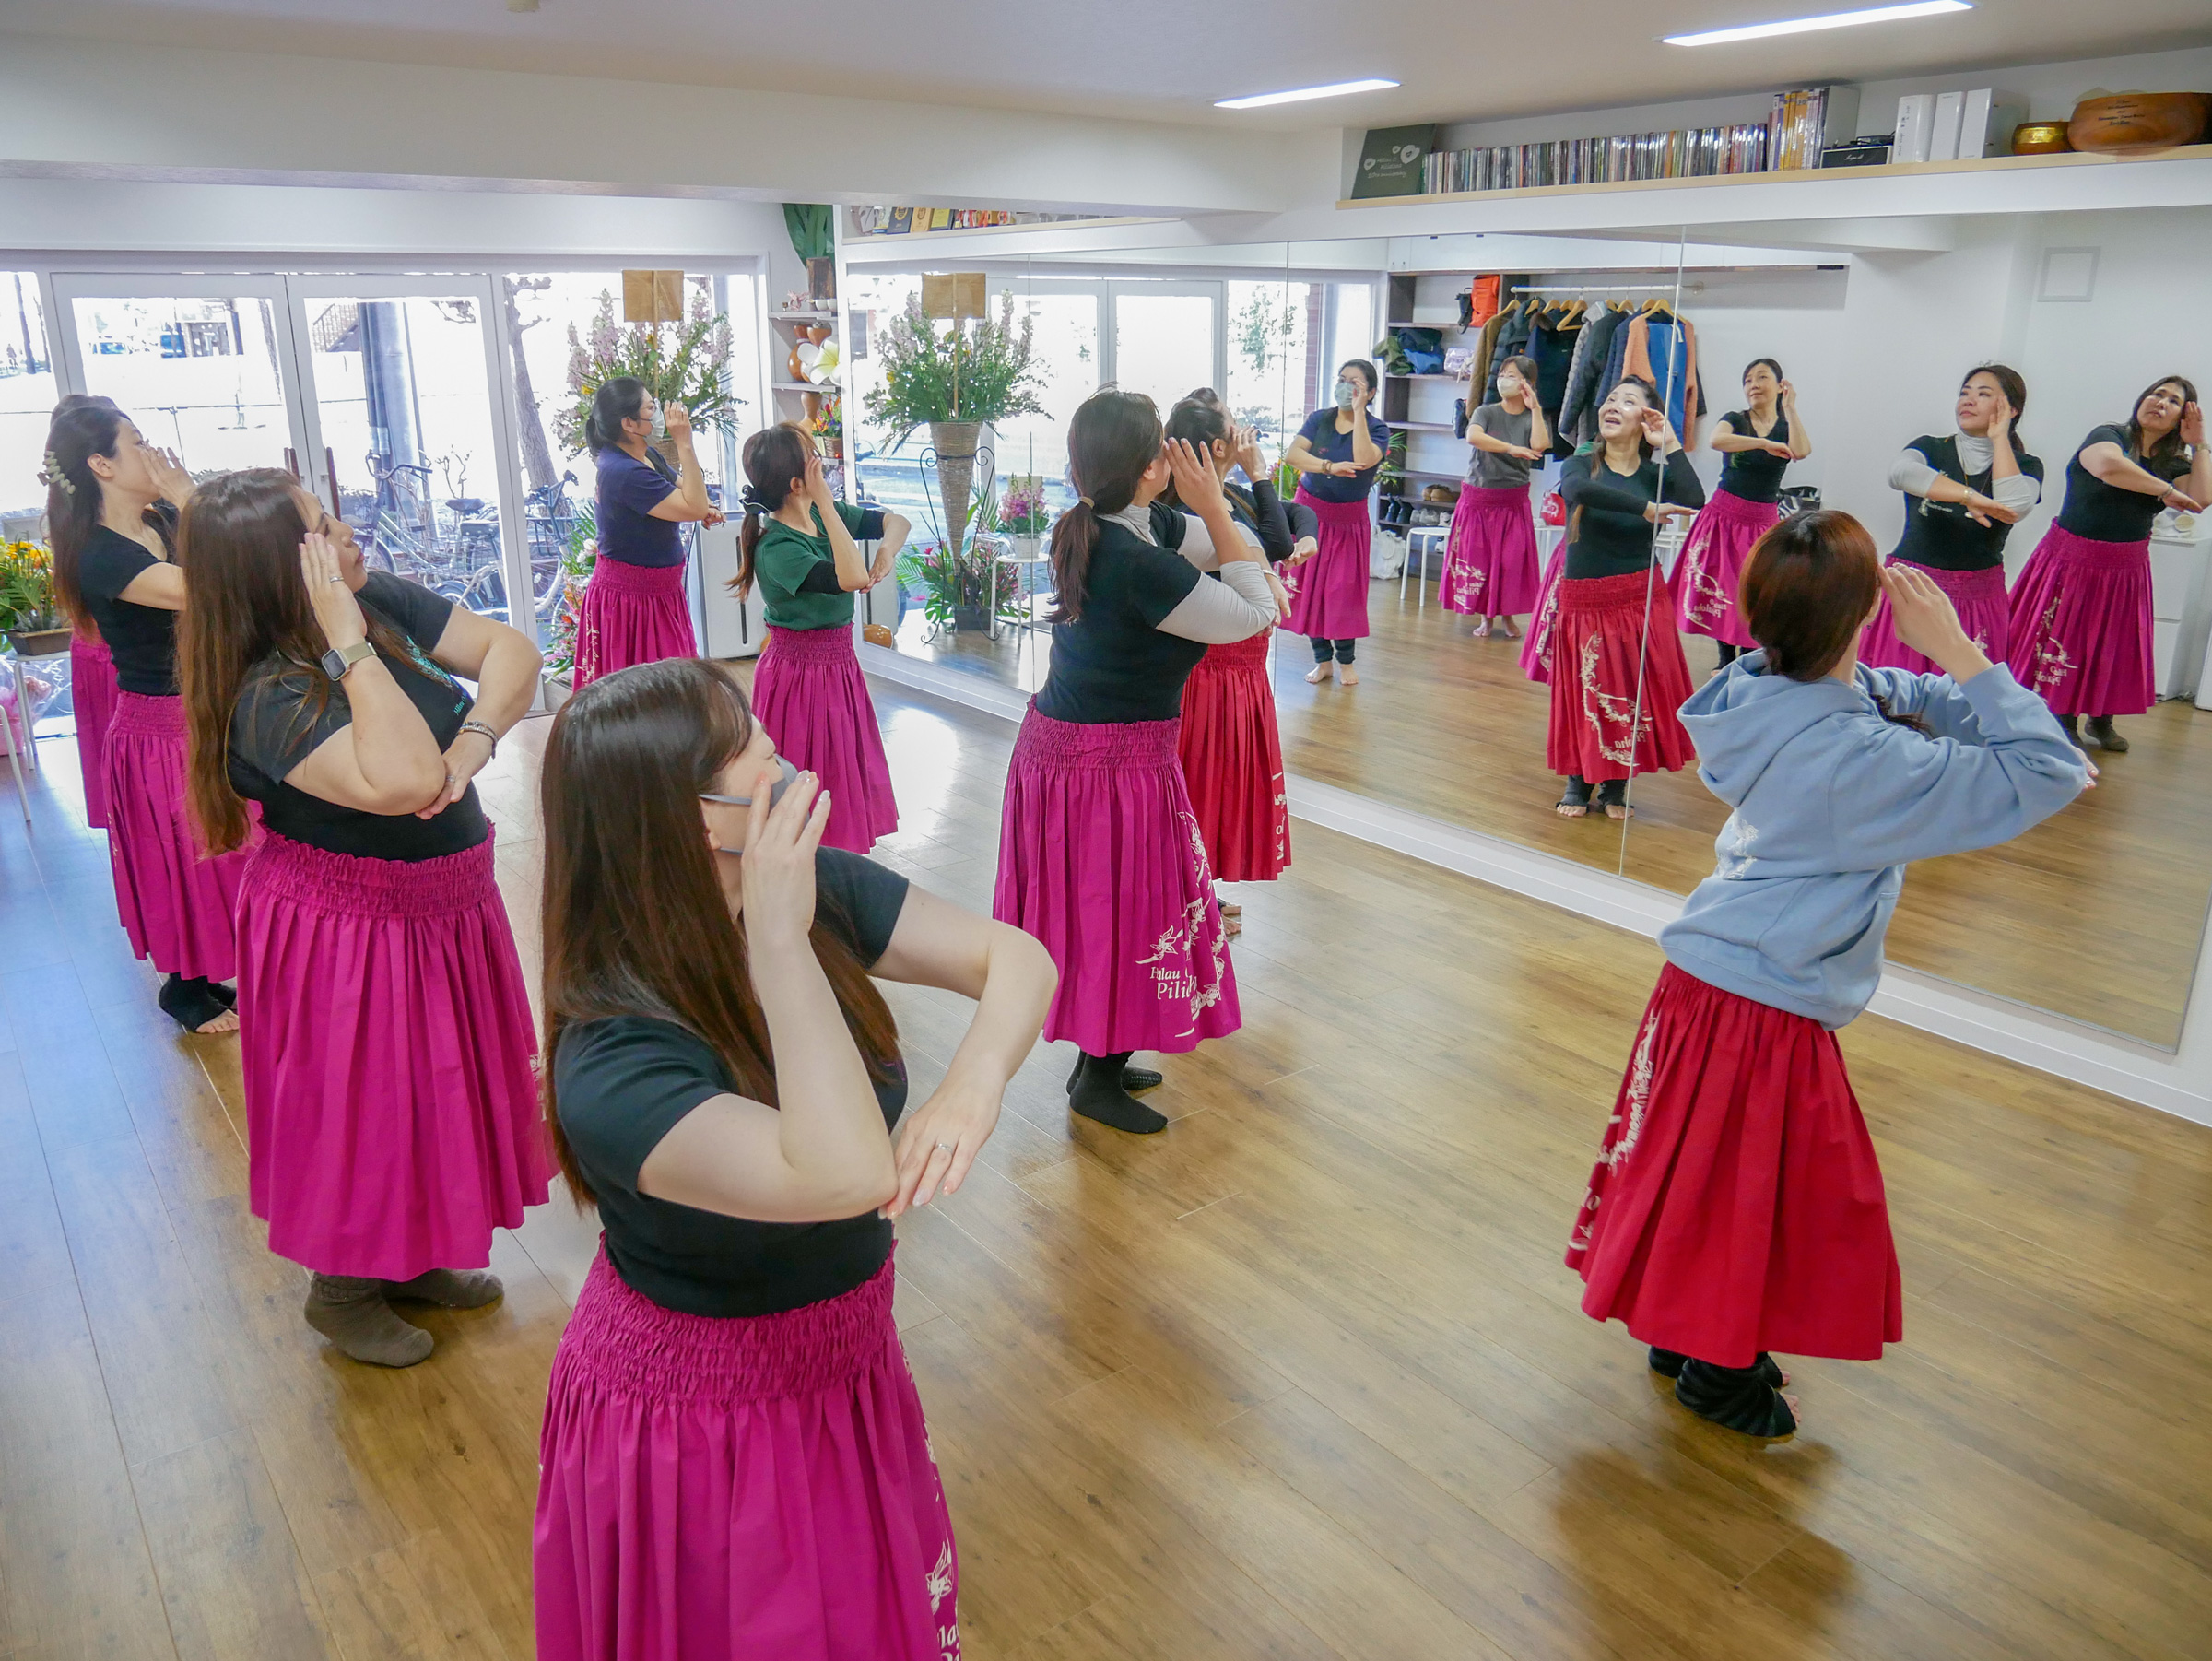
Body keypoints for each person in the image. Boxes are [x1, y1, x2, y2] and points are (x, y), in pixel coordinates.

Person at [533, 657, 1054, 1661]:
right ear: (701, 819)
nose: (786, 760)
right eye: (757, 751)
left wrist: (973, 1082)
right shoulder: (613, 1058)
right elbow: (844, 1175)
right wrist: (778, 945)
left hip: (841, 1354)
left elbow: (1016, 957)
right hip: (698, 1413)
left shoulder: (816, 892)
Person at [1568, 511, 2088, 1438]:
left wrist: (1922, 667)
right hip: (1764, 994)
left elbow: (1880, 692)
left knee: (1700, 1171)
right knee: (1775, 1190)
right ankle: (1717, 1373)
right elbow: (2049, 767)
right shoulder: (1865, 759)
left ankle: (1687, 1331)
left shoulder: (1760, 687)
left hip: (1707, 978)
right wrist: (1964, 651)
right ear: (1862, 616)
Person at [177, 468, 547, 1367]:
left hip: (443, 906)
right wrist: (350, 645)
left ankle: (412, 1254)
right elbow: (403, 779)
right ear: (282, 570)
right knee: (370, 1101)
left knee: (439, 1085)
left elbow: (512, 653)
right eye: (321, 531)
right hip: (351, 923)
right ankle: (342, 1287)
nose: (349, 534)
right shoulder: (269, 692)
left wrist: (475, 739)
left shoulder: (374, 594)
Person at [995, 391, 1277, 1134]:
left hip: (1084, 756)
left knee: (1116, 914)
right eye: (1164, 447)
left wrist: (1221, 502)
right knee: (1121, 916)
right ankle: (1095, 1079)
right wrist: (1217, 502)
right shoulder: (1130, 558)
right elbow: (1257, 609)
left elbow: (1230, 549)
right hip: (1102, 766)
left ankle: (1100, 1064)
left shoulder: (1116, 524)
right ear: (1152, 465)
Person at [46, 399, 248, 1034]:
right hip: (159, 728)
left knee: (230, 845)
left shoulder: (160, 519)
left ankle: (219, 967)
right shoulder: (100, 555)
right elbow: (215, 589)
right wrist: (193, 498)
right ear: (101, 464)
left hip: (206, 709)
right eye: (136, 442)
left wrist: (183, 506)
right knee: (184, 853)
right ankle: (184, 988)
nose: (152, 452)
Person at [2006, 376, 2207, 752]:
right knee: (2066, 638)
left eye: (2174, 401)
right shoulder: (2110, 435)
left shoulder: (2172, 461)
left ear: (2183, 418)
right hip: (2073, 558)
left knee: (2111, 644)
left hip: (2124, 566)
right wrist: (2166, 490)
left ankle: (2101, 718)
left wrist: (2199, 446)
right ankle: (2060, 716)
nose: (2161, 402)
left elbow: (2201, 497)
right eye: (2156, 393)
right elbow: (2108, 468)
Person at [736, 422, 910, 853]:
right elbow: (850, 577)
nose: (824, 466)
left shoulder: (814, 514)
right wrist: (830, 507)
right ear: (798, 483)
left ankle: (833, 865)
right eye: (814, 460)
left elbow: (897, 521)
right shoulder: (777, 548)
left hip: (838, 668)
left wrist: (886, 549)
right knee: (804, 776)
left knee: (838, 772)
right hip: (798, 677)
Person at [1162, 395, 1303, 922]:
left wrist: (1260, 485)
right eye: (1234, 427)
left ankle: (1198, 889)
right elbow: (1276, 545)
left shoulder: (1233, 498)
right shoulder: (1184, 512)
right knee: (1199, 783)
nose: (1245, 429)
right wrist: (1261, 470)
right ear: (1220, 446)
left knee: (1220, 786)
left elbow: (1287, 526)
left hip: (1243, 671)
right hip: (1208, 672)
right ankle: (1182, 894)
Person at [1548, 377, 1705, 820]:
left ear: (1645, 419)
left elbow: (1695, 498)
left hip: (1640, 595)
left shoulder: (1655, 474)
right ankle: (1578, 779)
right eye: (1611, 399)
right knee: (1589, 689)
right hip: (1587, 595)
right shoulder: (1582, 460)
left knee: (1629, 691)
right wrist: (1645, 510)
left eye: (1629, 401)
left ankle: (1617, 783)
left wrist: (1670, 441)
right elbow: (1577, 492)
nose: (1614, 405)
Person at [1863, 364, 2043, 674]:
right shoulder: (1930, 447)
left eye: (1983, 394)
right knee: (1895, 692)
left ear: (2011, 409)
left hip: (1977, 600)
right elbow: (1901, 473)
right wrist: (1968, 496)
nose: (1968, 400)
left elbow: (2013, 505)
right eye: (1964, 393)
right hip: (1912, 588)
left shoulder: (2026, 465)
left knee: (1963, 697)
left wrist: (2000, 437)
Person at [574, 376, 721, 688]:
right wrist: (684, 443)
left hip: (658, 594)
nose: (659, 416)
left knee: (671, 690)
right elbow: (692, 507)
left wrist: (704, 506)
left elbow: (687, 494)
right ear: (629, 423)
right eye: (651, 408)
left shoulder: (645, 456)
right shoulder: (624, 473)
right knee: (650, 696)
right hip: (632, 601)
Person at [1676, 359, 1812, 668]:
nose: (1753, 384)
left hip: (1762, 521)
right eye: (1748, 379)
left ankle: (1750, 659)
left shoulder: (1786, 426)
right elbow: (1716, 440)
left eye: (1762, 377)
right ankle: (1725, 661)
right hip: (1724, 516)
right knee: (1722, 589)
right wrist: (1763, 443)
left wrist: (1791, 409)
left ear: (1780, 386)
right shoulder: (1736, 419)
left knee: (1755, 592)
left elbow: (1801, 450)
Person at [1282, 359, 1388, 685]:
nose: (1346, 387)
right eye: (1342, 380)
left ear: (1370, 392)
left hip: (1347, 522)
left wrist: (1357, 413)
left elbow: (1364, 458)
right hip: (1310, 515)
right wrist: (1328, 466)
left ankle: (1347, 663)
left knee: (1341, 592)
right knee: (1309, 589)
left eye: (1355, 383)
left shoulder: (1378, 429)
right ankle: (1322, 661)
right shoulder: (1319, 420)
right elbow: (1293, 455)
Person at [1443, 354, 1547, 638]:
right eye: (1503, 374)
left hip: (1512, 500)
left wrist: (1535, 408)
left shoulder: (1531, 418)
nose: (1504, 380)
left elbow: (1540, 445)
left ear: (1528, 383)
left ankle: (1508, 617)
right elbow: (1473, 437)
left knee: (1510, 562)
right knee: (1479, 560)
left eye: (1513, 376)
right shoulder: (1486, 412)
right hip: (1479, 498)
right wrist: (1511, 449)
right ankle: (1486, 618)